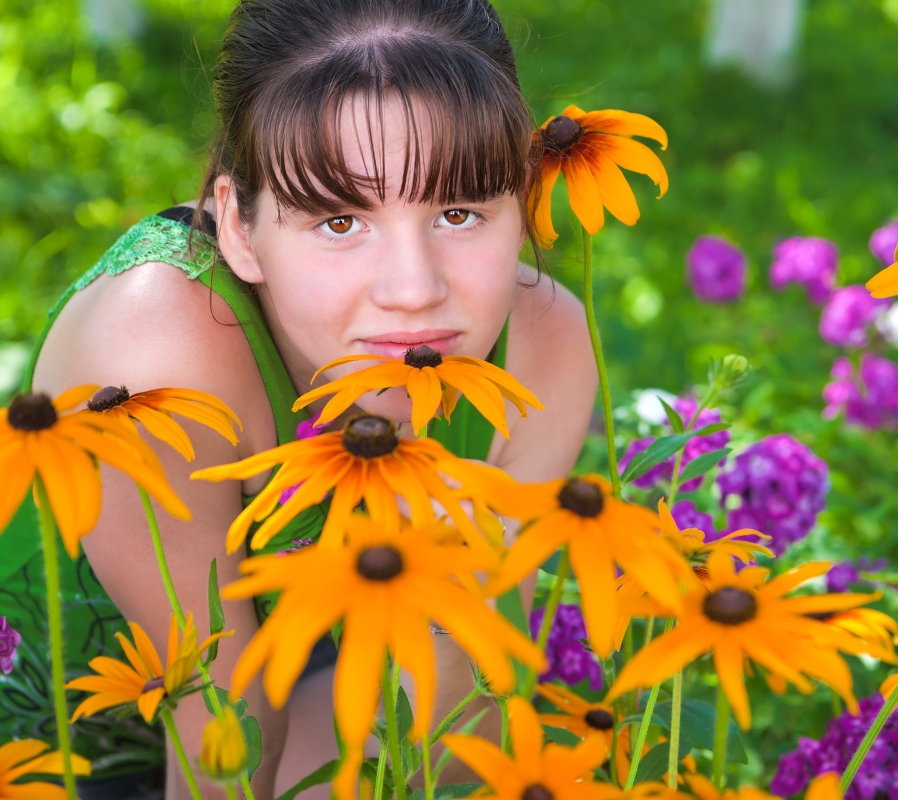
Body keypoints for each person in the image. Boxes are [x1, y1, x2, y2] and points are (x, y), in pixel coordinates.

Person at [1, 0, 597, 797]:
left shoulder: (546, 348)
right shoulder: (158, 356)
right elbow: (221, 727)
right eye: (341, 221)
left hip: (305, 678)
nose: (414, 291)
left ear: (520, 203)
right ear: (240, 230)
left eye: (459, 212)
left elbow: (457, 711)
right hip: (53, 739)